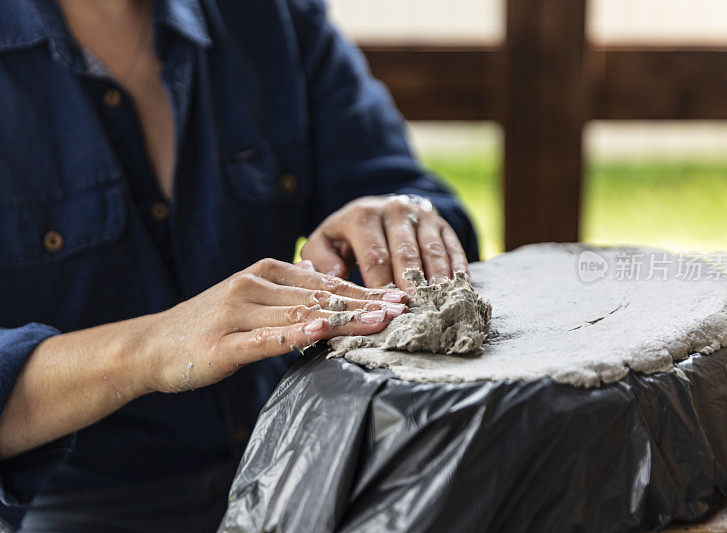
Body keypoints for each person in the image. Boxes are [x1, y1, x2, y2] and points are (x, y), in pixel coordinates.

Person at [0, 0, 478, 529]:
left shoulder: (275, 18)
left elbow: (418, 197)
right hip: (74, 503)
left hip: (306, 450)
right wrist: (152, 348)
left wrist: (389, 225)